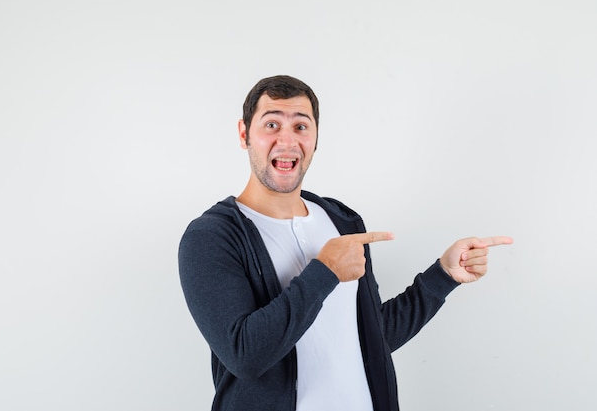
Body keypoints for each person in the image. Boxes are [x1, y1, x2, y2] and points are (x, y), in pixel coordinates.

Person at [178, 75, 513, 411]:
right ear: (243, 134)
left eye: (301, 126)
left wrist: (443, 275)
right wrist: (324, 272)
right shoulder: (211, 237)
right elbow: (245, 355)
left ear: (316, 137)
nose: (287, 140)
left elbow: (371, 335)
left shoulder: (341, 221)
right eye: (271, 124)